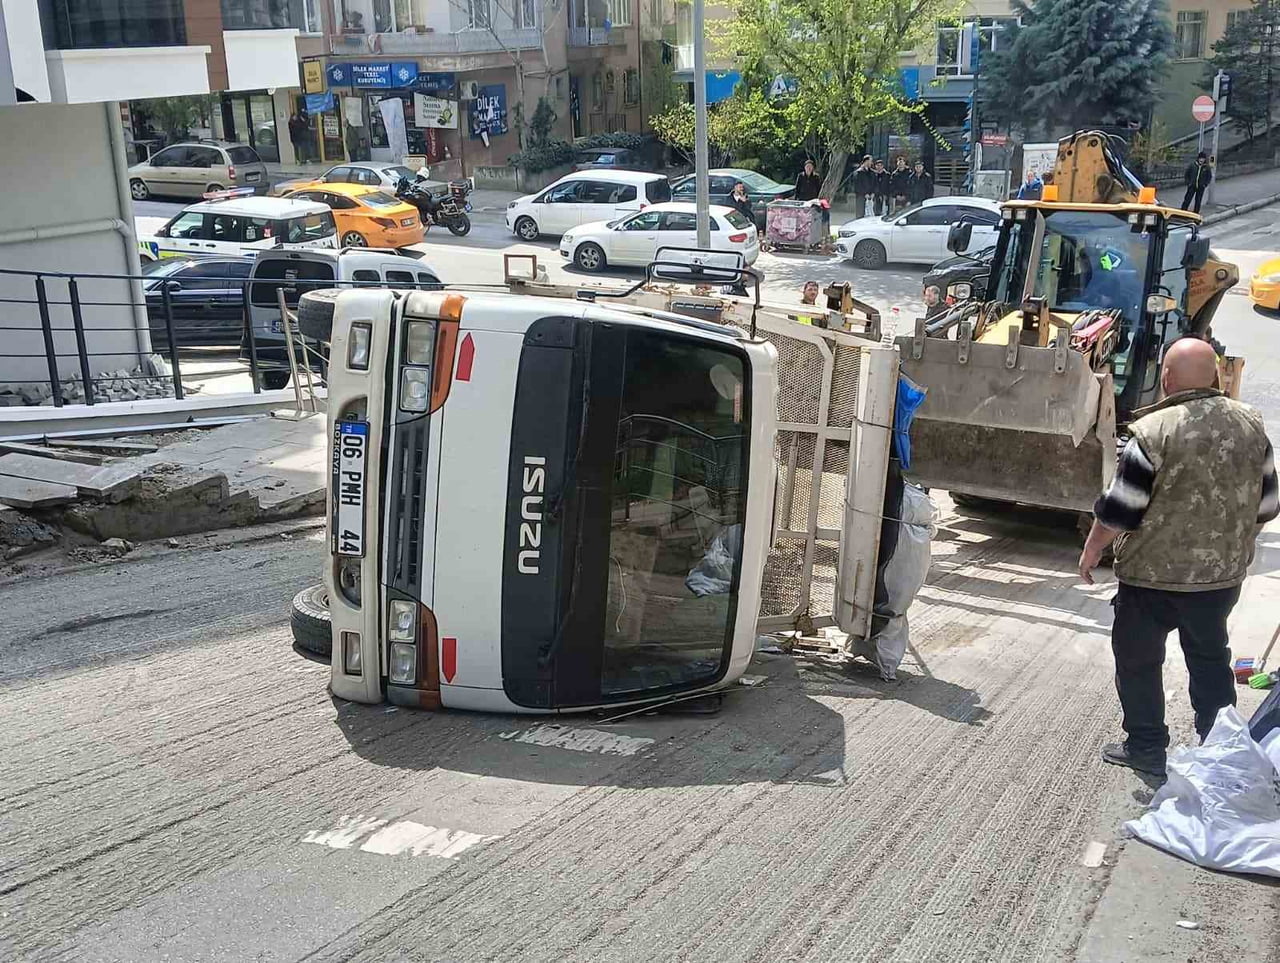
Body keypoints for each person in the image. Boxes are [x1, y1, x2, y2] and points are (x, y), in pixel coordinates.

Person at [1079, 337, 1279, 778]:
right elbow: (1267, 505)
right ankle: (1220, 753)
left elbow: (1121, 510)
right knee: (1210, 660)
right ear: (1215, 376)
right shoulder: (1252, 425)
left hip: (1150, 580)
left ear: (1166, 379)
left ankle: (1147, 748)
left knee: (1138, 662)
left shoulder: (1152, 431)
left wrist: (1092, 549)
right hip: (1219, 581)